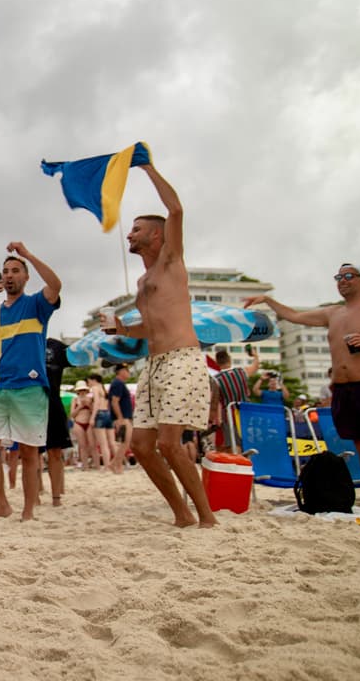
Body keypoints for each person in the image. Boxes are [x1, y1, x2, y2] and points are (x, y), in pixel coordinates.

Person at [244, 264, 360, 509]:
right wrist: (268, 300)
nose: (342, 280)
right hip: (344, 389)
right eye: (339, 277)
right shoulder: (333, 314)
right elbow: (294, 316)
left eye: (349, 276)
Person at [109, 163, 217, 527]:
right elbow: (149, 327)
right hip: (153, 365)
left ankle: (207, 518)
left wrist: (146, 167)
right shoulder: (142, 282)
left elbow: (176, 210)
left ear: (157, 236)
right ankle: (182, 514)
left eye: (136, 229)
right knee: (140, 446)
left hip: (182, 359)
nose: (130, 235)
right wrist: (124, 329)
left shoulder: (171, 261)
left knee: (170, 444)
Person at [0, 242, 62, 520]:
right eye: (5, 271)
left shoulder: (36, 305)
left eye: (16, 270)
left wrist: (28, 254)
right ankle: (2, 504)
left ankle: (28, 510)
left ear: (25, 276)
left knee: (30, 452)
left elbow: (56, 284)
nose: (9, 275)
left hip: (30, 387)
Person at [42, 337, 74, 502]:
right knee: (31, 452)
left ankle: (56, 497)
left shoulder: (56, 346)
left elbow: (79, 356)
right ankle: (35, 495)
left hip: (53, 403)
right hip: (28, 402)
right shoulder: (23, 340)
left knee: (55, 451)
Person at [213, 347, 259, 450]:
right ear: (229, 359)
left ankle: (238, 464)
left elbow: (216, 402)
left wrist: (217, 419)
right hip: (246, 412)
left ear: (217, 362)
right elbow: (255, 366)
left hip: (229, 415)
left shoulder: (215, 380)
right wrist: (255, 355)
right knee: (249, 443)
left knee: (234, 444)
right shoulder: (241, 371)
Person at [106, 364, 134, 472]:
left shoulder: (119, 383)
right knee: (125, 442)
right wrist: (120, 418)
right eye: (127, 370)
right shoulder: (118, 383)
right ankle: (115, 464)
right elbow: (114, 401)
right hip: (122, 417)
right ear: (121, 371)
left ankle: (115, 464)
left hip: (124, 417)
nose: (128, 372)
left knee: (125, 442)